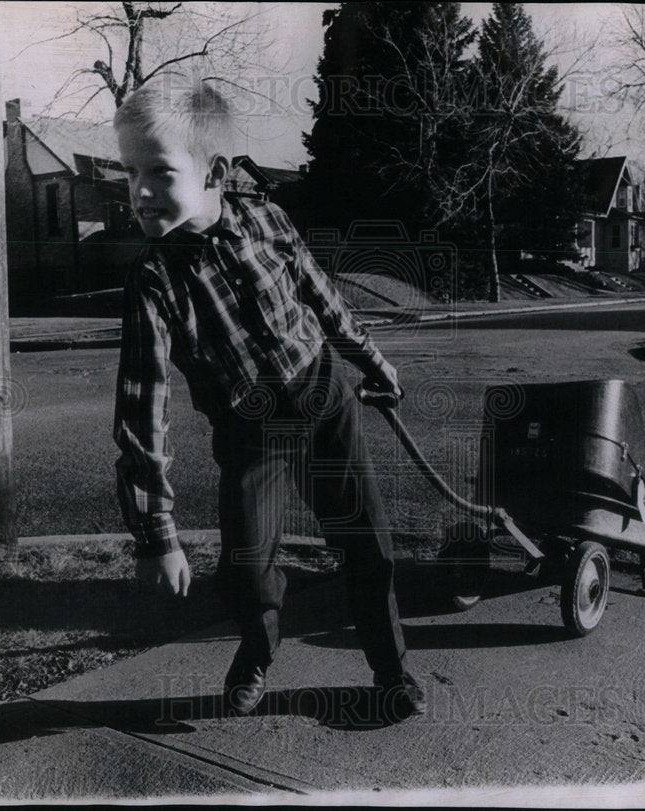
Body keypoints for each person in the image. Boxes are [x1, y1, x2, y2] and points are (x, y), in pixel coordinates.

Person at [111, 75, 424, 721]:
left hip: (322, 393)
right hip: (249, 432)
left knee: (367, 544)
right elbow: (143, 408)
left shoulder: (265, 218)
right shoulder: (152, 280)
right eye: (129, 171)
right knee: (246, 567)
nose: (138, 191)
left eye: (159, 172)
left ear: (213, 172)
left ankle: (391, 671)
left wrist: (374, 360)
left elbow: (323, 299)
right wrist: (155, 534)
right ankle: (257, 648)